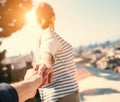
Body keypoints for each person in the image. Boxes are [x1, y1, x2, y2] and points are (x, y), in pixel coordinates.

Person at [32, 2, 80, 102]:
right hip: (66, 95)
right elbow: (48, 44)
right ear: (53, 17)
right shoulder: (48, 33)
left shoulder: (37, 42)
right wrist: (46, 60)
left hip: (50, 97)